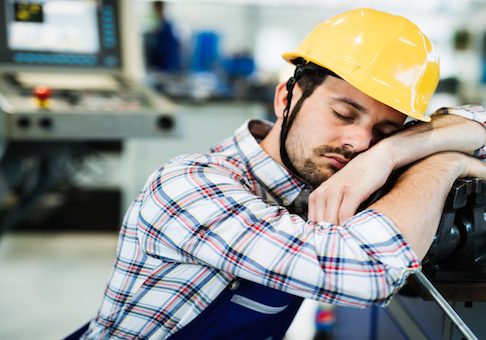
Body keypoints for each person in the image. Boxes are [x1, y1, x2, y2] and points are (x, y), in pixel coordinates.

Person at [79, 8, 486, 339]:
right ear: (285, 98)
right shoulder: (189, 186)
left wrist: (401, 148)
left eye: (383, 130)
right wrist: (441, 163)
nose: (360, 144)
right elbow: (368, 272)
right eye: (343, 114)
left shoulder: (339, 174)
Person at [144, 1, 181, 72]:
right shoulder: (161, 23)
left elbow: (169, 46)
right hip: (163, 60)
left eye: (155, 9)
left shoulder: (167, 25)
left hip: (166, 61)